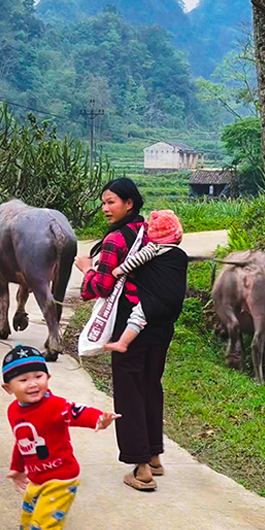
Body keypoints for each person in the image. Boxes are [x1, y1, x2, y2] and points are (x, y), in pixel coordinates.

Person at [74, 178, 188, 492]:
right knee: (151, 385)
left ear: (129, 204)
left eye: (111, 201)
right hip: (160, 324)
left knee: (129, 391)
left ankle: (140, 470)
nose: (105, 208)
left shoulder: (116, 240)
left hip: (131, 325)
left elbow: (101, 286)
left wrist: (86, 268)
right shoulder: (149, 233)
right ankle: (154, 457)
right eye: (103, 202)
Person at [2, 344, 120, 530]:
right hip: (36, 481)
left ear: (48, 377)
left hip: (61, 480)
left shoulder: (54, 406)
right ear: (8, 388)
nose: (33, 383)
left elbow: (77, 412)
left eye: (39, 376)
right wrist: (17, 468)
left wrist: (99, 419)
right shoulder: (14, 412)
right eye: (23, 380)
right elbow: (21, 442)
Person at [104, 209, 184, 353]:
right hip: (173, 302)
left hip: (156, 300)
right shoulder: (178, 254)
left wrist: (120, 270)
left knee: (138, 316)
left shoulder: (153, 248)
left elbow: (136, 260)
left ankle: (122, 342)